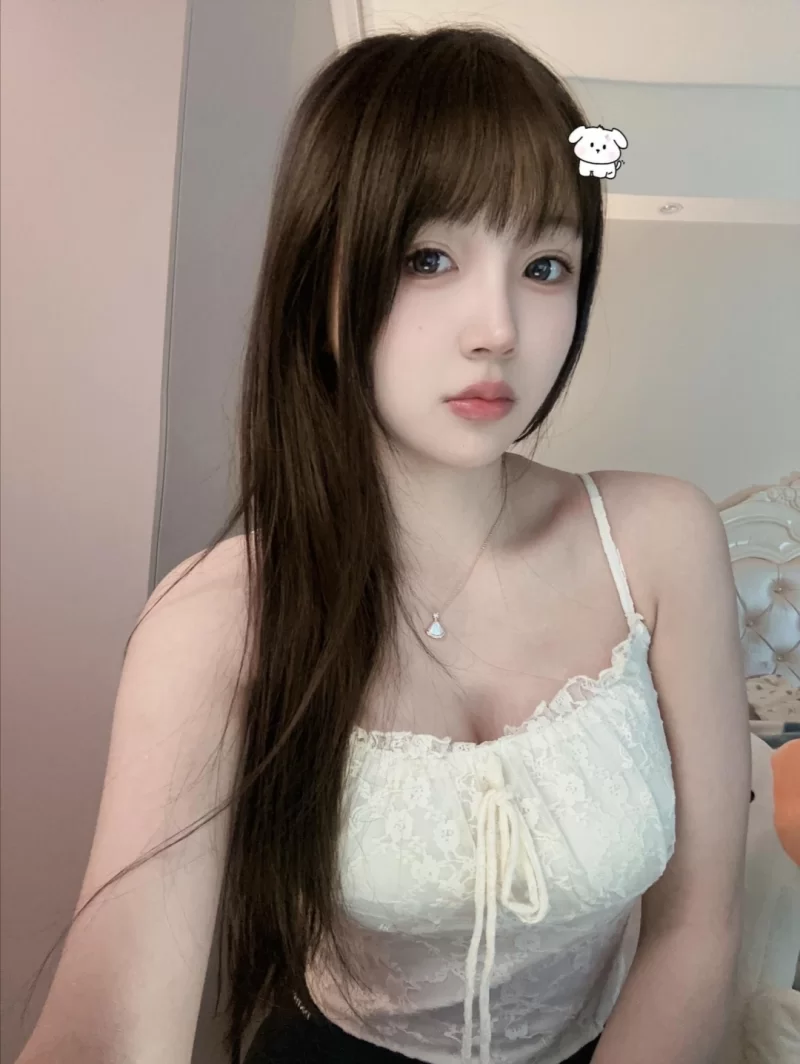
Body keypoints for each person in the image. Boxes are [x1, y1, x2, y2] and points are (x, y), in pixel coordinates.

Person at [17, 23, 751, 1064]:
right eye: (428, 258)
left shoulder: (661, 541)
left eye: (545, 265)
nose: (498, 327)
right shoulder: (217, 620)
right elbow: (109, 1026)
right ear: (322, 281)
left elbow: (697, 923)